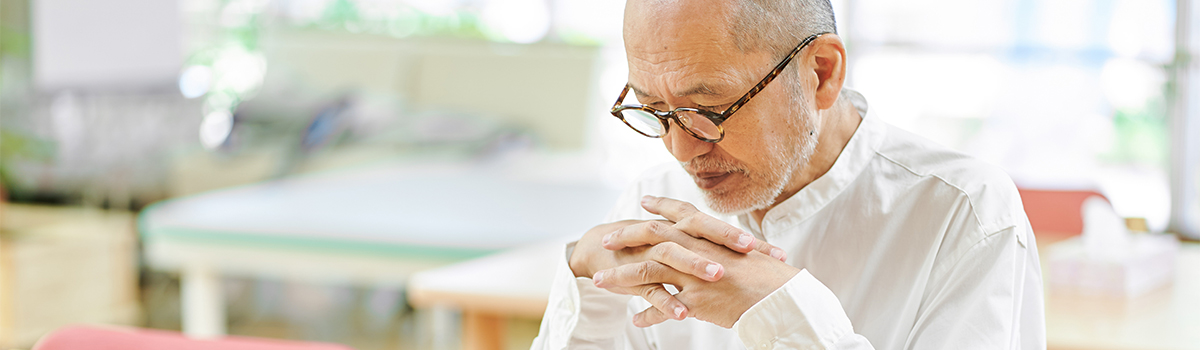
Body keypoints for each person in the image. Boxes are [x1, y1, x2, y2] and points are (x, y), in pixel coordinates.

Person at [532, 0, 1045, 348]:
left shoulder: (966, 215)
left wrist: (787, 312)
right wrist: (584, 278)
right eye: (653, 111)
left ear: (821, 72)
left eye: (708, 108)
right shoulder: (652, 202)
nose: (681, 149)